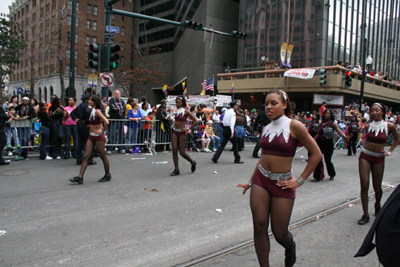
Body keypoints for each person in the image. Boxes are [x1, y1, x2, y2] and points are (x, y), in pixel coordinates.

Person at [236, 89, 322, 267]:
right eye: (266, 104)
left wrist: (300, 180)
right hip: (261, 180)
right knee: (259, 226)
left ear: (284, 104)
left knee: (280, 233)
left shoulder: (295, 125)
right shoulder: (266, 127)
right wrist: (251, 182)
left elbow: (316, 154)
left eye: (273, 103)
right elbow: (263, 158)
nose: (268, 107)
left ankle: (290, 247)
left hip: (283, 183)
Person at [357, 103, 400, 225]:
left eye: (377, 110)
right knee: (364, 184)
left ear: (382, 112)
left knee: (377, 187)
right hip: (365, 156)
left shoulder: (389, 126)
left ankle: (377, 204)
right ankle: (365, 214)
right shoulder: (367, 126)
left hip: (379, 159)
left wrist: (389, 152)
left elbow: (398, 139)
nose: (374, 113)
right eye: (372, 111)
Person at [70, 95, 110, 184]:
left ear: (95, 102)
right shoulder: (92, 110)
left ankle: (107, 175)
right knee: (86, 156)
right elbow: (99, 123)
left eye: (91, 100)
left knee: (102, 156)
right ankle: (80, 177)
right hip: (91, 136)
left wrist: (102, 131)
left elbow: (106, 122)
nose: (89, 101)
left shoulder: (97, 112)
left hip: (98, 137)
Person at [312, 109, 349, 182]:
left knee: (327, 160)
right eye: (325, 113)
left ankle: (332, 174)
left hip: (328, 143)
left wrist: (346, 137)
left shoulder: (333, 124)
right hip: (320, 142)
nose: (326, 115)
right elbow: (318, 133)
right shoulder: (321, 123)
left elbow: (339, 132)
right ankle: (318, 176)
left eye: (328, 113)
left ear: (331, 115)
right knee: (318, 159)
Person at [170, 96, 198, 176]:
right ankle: (176, 169)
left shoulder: (186, 111)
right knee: (174, 150)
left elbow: (196, 121)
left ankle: (192, 163)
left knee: (182, 152)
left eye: (179, 102)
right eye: (176, 102)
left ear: (183, 102)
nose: (177, 104)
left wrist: (188, 128)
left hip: (182, 133)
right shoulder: (176, 111)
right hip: (175, 131)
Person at [211, 100, 243, 164]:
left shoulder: (227, 111)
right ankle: (237, 159)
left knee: (223, 144)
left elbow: (225, 121)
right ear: (234, 106)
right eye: (236, 105)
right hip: (229, 129)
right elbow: (231, 123)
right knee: (235, 143)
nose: (237, 107)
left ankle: (215, 157)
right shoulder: (233, 113)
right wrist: (232, 131)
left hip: (225, 128)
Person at [70, 93, 96, 166]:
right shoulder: (87, 107)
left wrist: (75, 119)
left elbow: (72, 114)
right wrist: (88, 122)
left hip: (79, 124)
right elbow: (89, 115)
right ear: (88, 99)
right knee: (89, 142)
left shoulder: (79, 106)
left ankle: (79, 159)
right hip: (85, 125)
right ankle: (89, 159)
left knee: (80, 143)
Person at [107, 90, 126, 154]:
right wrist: (120, 108)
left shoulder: (122, 101)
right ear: (114, 94)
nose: (117, 95)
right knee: (112, 134)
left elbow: (124, 108)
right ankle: (109, 148)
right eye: (116, 93)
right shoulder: (111, 100)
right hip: (113, 120)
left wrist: (117, 108)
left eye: (118, 93)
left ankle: (121, 148)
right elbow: (112, 108)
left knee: (121, 134)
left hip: (121, 120)